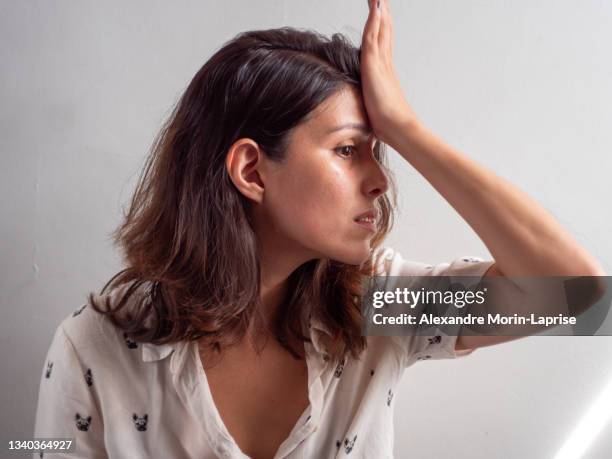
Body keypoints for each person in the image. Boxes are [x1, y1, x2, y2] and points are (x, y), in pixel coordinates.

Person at [33, 1, 604, 458]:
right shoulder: (95, 349)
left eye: (378, 151)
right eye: (349, 149)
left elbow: (578, 293)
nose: (380, 179)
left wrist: (406, 128)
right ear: (252, 170)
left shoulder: (377, 308)